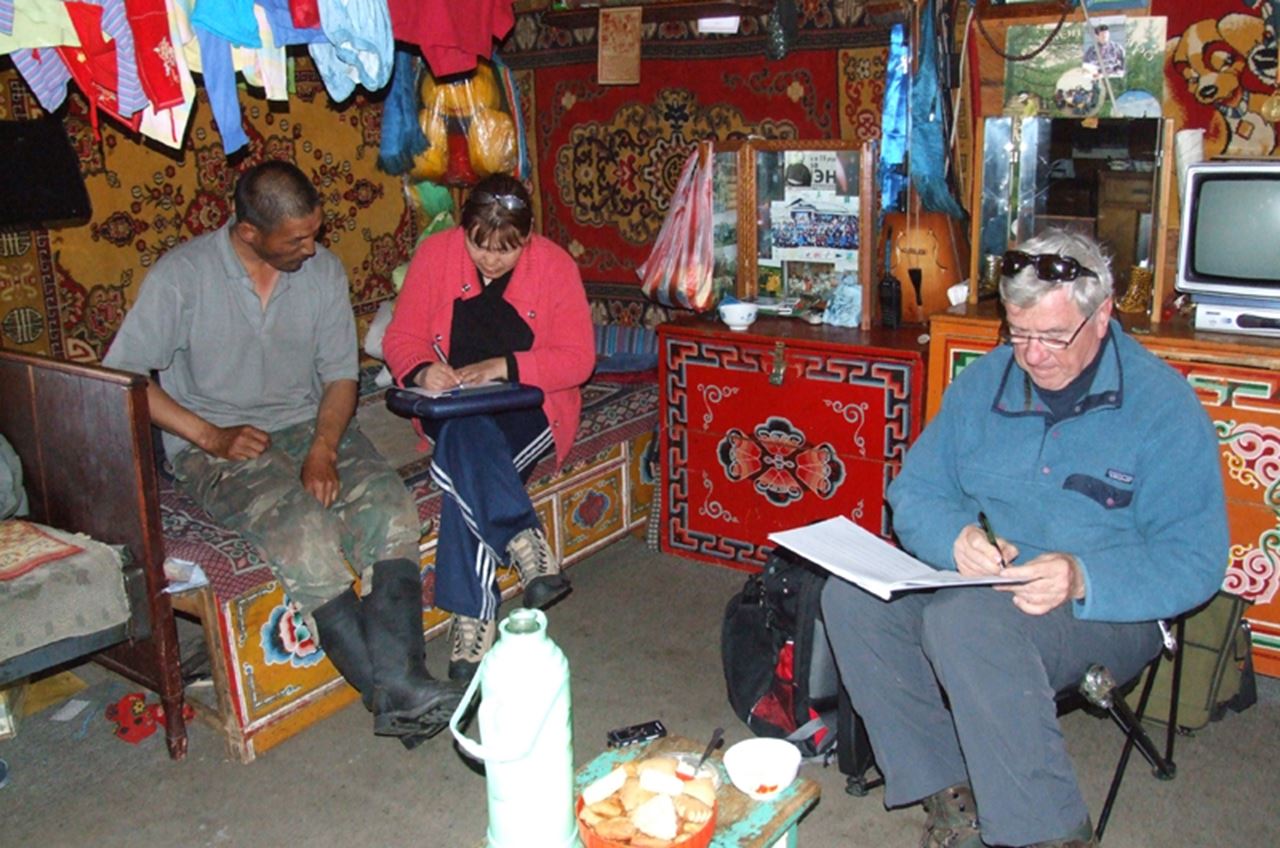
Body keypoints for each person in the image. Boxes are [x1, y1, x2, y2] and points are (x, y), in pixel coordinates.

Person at [822, 229, 1227, 848]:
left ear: (1103, 314)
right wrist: (954, 540)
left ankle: (1049, 833)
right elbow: (917, 493)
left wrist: (1083, 575)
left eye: (1051, 337)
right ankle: (952, 797)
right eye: (1018, 333)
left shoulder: (1163, 408)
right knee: (850, 598)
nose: (1032, 356)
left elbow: (1196, 562)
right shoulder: (987, 383)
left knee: (965, 625)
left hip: (1106, 608)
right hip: (989, 586)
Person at [103, 160, 462, 744]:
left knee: (389, 507)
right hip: (215, 440)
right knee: (303, 532)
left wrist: (323, 448)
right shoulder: (183, 276)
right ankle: (395, 693)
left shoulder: (321, 272)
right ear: (248, 233)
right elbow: (124, 378)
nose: (312, 247)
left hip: (310, 421)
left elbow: (341, 375)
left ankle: (400, 687)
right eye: (297, 238)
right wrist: (208, 436)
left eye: (315, 232)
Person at [382, 173, 595, 683]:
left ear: (528, 238)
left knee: (463, 471)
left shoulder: (555, 266)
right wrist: (419, 370)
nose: (492, 259)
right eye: (480, 245)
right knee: (463, 435)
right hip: (454, 408)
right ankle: (524, 541)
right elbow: (401, 337)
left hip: (531, 407)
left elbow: (578, 360)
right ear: (464, 231)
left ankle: (473, 618)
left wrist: (504, 366)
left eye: (508, 248)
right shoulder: (436, 256)